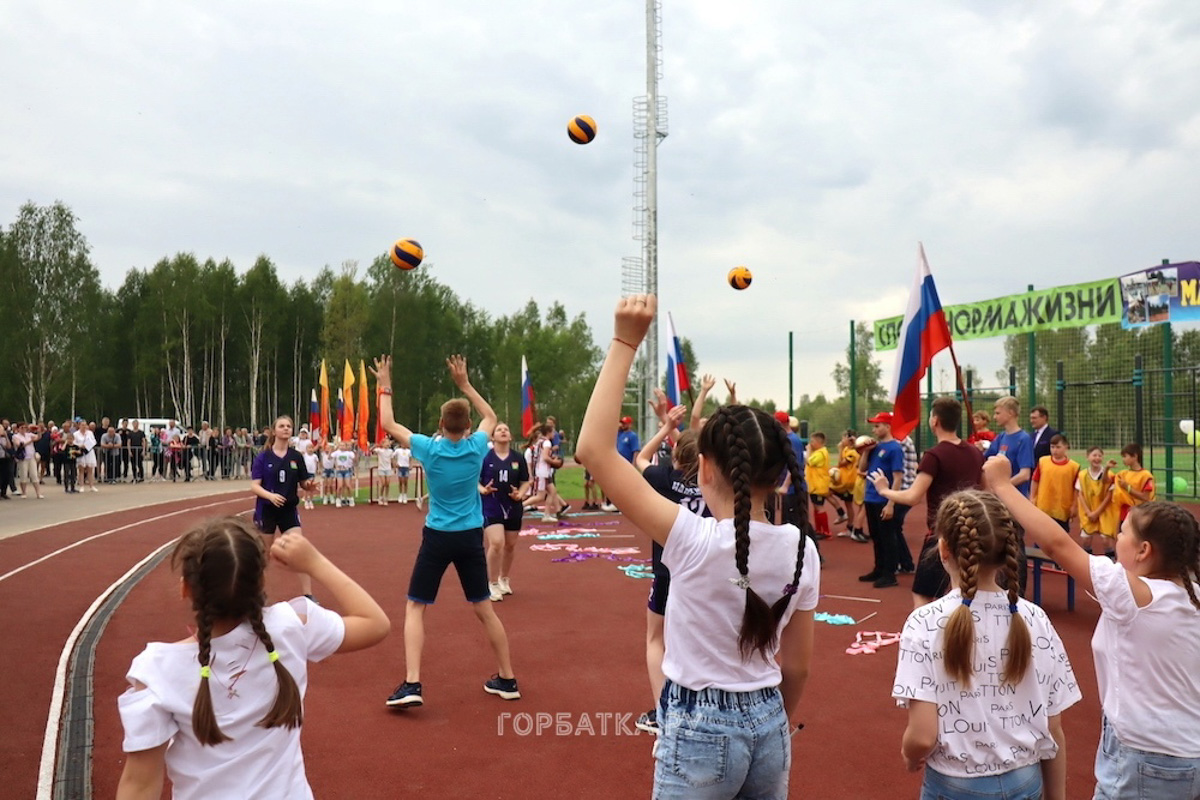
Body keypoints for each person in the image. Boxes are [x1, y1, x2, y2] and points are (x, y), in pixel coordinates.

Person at [575, 295, 817, 799]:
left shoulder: (689, 538)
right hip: (770, 719)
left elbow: (593, 451)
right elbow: (796, 666)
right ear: (779, 479)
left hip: (699, 721)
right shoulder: (802, 550)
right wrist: (768, 724)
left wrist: (623, 341)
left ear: (703, 468)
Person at [115, 517, 389, 800]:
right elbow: (375, 623)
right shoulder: (292, 626)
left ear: (185, 589)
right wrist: (315, 562)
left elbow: (140, 785)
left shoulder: (156, 671)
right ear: (260, 582)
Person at [984, 456, 1200, 799]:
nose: (1117, 536)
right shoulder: (1191, 596)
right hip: (1190, 751)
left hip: (1143, 758)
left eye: (1123, 532)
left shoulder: (1132, 595)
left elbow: (1057, 544)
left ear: (1144, 550)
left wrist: (1001, 486)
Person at [893, 489, 1081, 800]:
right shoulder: (1035, 618)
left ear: (943, 549)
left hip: (956, 785)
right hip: (1026, 779)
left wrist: (910, 755)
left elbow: (922, 737)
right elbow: (1053, 726)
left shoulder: (924, 622)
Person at [373, 353, 519, 708]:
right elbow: (492, 416)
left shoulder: (429, 448)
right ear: (468, 426)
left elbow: (389, 424)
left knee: (415, 607)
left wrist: (385, 383)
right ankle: (508, 678)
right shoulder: (475, 448)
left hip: (438, 536)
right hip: (471, 536)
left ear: (440, 423)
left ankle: (412, 683)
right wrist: (464, 383)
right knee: (484, 608)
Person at [631, 404, 708, 737]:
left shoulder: (664, 478)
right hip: (706, 572)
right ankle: (707, 704)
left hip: (667, 570)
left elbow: (640, 459)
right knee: (703, 637)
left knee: (656, 639)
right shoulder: (715, 484)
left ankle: (664, 712)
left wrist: (666, 427)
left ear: (675, 453)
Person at [870, 398, 983, 607]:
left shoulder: (934, 455)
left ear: (935, 421)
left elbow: (913, 496)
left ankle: (925, 639)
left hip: (942, 535)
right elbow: (984, 492)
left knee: (922, 594)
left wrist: (884, 490)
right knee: (960, 593)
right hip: (971, 531)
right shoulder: (975, 453)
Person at [250, 416, 317, 599]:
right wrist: (270, 496)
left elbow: (303, 482)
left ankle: (308, 594)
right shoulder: (263, 457)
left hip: (288, 510)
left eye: (289, 426)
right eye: (282, 426)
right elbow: (255, 485)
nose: (286, 429)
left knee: (299, 550)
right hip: (267, 510)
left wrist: (308, 485)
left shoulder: (296, 457)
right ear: (274, 431)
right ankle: (257, 593)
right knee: (264, 554)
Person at [480, 423, 531, 602]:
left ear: (510, 437)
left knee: (510, 545)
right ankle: (492, 583)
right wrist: (482, 489)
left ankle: (504, 578)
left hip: (513, 506)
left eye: (506, 429)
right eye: (499, 429)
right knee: (496, 543)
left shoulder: (518, 458)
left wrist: (521, 494)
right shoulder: (485, 457)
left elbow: (526, 481)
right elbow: (474, 479)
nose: (503, 431)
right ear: (493, 437)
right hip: (491, 504)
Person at [858, 412, 906, 588]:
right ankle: (878, 569)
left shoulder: (895, 448)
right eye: (874, 426)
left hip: (883, 499)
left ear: (888, 426)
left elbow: (898, 477)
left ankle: (890, 574)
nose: (874, 429)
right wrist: (865, 452)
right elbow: (861, 469)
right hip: (870, 497)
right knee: (876, 536)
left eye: (878, 426)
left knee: (888, 537)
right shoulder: (875, 447)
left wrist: (891, 503)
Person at [985, 396, 1034, 497]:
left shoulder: (1023, 439)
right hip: (1001, 498)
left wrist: (1002, 487)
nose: (994, 417)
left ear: (1010, 413)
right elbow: (986, 458)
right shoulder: (1001, 437)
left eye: (998, 413)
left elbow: (1024, 475)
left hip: (1016, 498)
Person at [1031, 434, 1079, 532]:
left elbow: (1076, 489)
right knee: (1041, 536)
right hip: (1044, 506)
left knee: (1061, 536)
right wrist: (1032, 497)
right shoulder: (1043, 461)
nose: (1055, 450)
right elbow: (1035, 480)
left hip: (1062, 508)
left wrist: (1074, 505)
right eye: (1052, 447)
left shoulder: (1073, 467)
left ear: (1066, 447)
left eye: (1058, 447)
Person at [1076, 446, 1117, 557]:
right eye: (1094, 455)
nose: (1097, 458)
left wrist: (1096, 512)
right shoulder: (1082, 475)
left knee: (1106, 540)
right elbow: (1080, 494)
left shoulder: (1109, 474)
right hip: (1088, 511)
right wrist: (1089, 512)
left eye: (1099, 455)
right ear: (1087, 457)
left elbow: (1109, 494)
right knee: (1086, 539)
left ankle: (1111, 561)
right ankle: (1088, 562)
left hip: (1104, 511)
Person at [1110, 443, 1155, 523]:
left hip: (1139, 514)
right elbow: (1106, 481)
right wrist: (1107, 468)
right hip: (1125, 513)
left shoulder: (1145, 475)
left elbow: (1145, 497)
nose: (1123, 459)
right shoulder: (1123, 474)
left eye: (1125, 456)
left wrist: (1128, 488)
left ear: (1135, 456)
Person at [804, 431, 832, 539]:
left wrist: (808, 451)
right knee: (816, 507)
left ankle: (826, 531)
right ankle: (819, 529)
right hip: (814, 484)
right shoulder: (818, 452)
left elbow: (809, 461)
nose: (811, 444)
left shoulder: (820, 453)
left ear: (818, 442)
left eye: (812, 441)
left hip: (819, 485)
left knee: (820, 507)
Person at [331, 439, 356, 508]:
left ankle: (351, 499)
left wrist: (354, 452)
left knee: (348, 485)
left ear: (346, 446)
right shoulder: (337, 452)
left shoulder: (349, 453)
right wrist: (333, 449)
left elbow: (355, 460)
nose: (342, 447)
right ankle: (338, 499)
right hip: (339, 471)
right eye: (340, 445)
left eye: (343, 445)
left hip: (347, 470)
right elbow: (330, 457)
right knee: (340, 486)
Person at [372, 437, 396, 505]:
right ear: (383, 444)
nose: (387, 444)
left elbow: (392, 460)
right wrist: (375, 445)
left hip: (388, 468)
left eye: (388, 443)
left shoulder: (390, 451)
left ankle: (386, 497)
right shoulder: (380, 450)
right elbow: (371, 451)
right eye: (386, 443)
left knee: (387, 483)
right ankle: (380, 497)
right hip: (381, 469)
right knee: (383, 483)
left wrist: (394, 468)